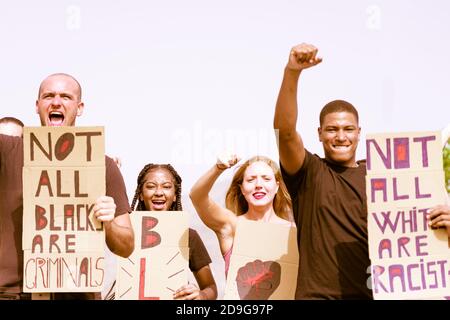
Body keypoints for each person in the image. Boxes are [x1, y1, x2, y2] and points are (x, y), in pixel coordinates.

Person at [0, 73, 134, 300]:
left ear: (79, 107)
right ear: (37, 105)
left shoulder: (103, 166)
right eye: (48, 96)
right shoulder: (8, 151)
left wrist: (108, 223)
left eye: (66, 97)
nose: (56, 102)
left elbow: (126, 246)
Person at [273, 43, 373, 299]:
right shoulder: (309, 172)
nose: (341, 137)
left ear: (359, 133)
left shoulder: (378, 179)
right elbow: (284, 132)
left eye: (348, 129)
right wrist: (292, 71)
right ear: (319, 134)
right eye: (332, 130)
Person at [189, 154, 294, 278]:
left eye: (266, 179)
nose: (258, 184)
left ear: (277, 186)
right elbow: (197, 196)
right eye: (251, 180)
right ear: (242, 189)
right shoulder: (231, 226)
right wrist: (218, 168)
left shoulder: (293, 231)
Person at [129, 163, 217, 300]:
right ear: (140, 194)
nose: (159, 192)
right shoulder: (126, 233)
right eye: (151, 186)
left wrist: (201, 296)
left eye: (167, 187)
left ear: (175, 195)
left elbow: (211, 288)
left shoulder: (187, 236)